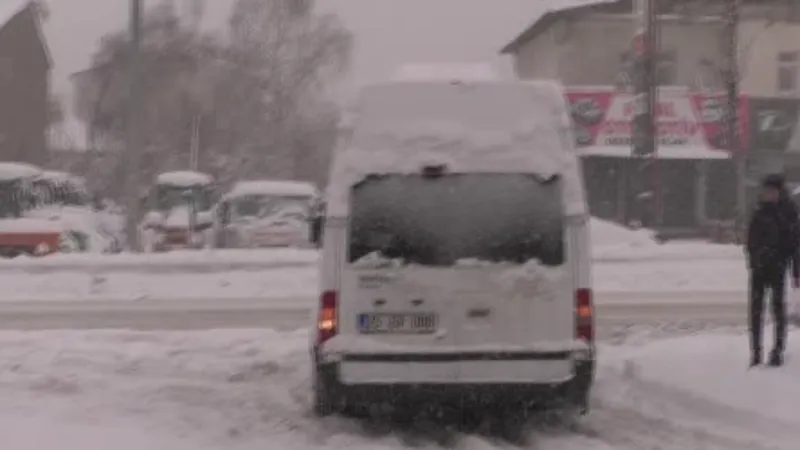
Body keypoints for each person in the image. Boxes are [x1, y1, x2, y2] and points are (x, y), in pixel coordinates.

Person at [746, 174, 800, 367]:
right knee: (755, 312)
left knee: (778, 311)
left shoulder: (788, 211)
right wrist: (752, 261)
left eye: (771, 191)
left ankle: (777, 351)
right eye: (765, 191)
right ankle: (756, 353)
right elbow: (751, 239)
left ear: (778, 191)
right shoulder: (759, 210)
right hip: (759, 268)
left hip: (777, 267)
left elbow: (795, 243)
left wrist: (796, 271)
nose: (767, 194)